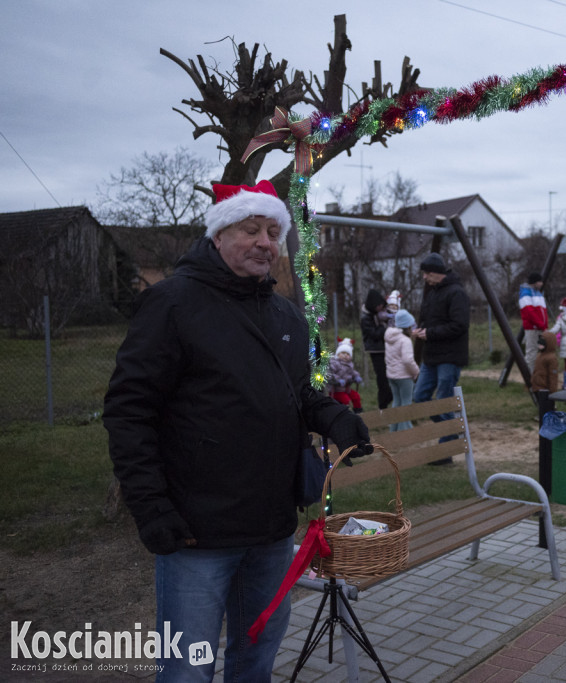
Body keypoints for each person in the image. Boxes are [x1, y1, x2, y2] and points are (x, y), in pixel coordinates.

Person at [103, 180, 370, 682]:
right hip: (196, 532)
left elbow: (297, 393)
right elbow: (128, 410)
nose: (266, 242)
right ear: (219, 234)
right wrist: (150, 506)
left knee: (255, 660)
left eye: (273, 231)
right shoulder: (173, 303)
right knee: (187, 670)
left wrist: (335, 417)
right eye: (251, 229)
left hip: (271, 529)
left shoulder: (284, 313)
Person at [412, 252, 470, 463]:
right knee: (420, 397)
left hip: (450, 357)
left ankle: (445, 452)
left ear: (437, 273)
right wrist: (421, 330)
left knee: (443, 402)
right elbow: (431, 322)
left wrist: (430, 333)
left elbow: (459, 325)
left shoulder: (457, 294)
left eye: (427, 273)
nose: (425, 277)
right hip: (432, 357)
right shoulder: (432, 294)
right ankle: (454, 431)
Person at [385, 309, 419, 431]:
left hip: (391, 376)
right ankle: (405, 431)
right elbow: (407, 360)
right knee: (406, 403)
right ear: (408, 326)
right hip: (404, 377)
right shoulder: (405, 340)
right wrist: (416, 371)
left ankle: (393, 429)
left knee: (396, 402)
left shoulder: (389, 337)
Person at [360, 289, 393, 409]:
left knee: (392, 376)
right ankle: (383, 405)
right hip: (376, 351)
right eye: (378, 305)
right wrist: (384, 327)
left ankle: (390, 400)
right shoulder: (366, 318)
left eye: (381, 305)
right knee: (382, 378)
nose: (380, 307)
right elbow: (373, 334)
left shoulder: (385, 312)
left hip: (389, 348)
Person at [518, 272, 549, 373]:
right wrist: (541, 324)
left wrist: (545, 325)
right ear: (534, 282)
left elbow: (543, 311)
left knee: (542, 352)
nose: (541, 283)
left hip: (541, 327)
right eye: (540, 281)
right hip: (533, 328)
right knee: (531, 353)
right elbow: (529, 312)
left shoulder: (538, 293)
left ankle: (539, 375)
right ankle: (530, 378)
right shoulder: (526, 294)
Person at [327, 337, 363, 412]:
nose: (345, 355)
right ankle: (347, 415)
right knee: (346, 400)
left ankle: (358, 412)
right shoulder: (334, 363)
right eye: (343, 353)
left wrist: (356, 376)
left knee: (356, 396)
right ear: (338, 354)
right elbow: (330, 374)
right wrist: (337, 380)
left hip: (346, 388)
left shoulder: (349, 364)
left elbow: (352, 372)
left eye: (348, 354)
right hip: (336, 390)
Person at [530, 330, 561, 394]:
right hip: (537, 387)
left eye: (543, 341)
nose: (539, 343)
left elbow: (553, 376)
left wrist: (553, 391)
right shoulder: (539, 355)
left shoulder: (551, 358)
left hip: (545, 389)